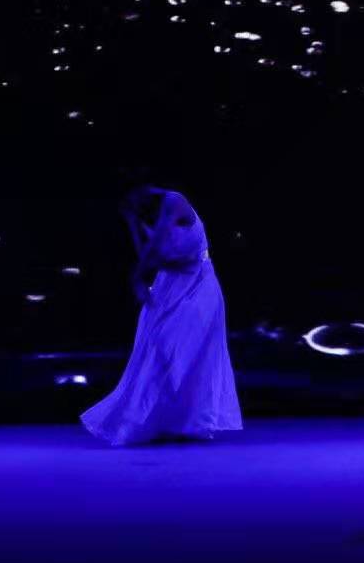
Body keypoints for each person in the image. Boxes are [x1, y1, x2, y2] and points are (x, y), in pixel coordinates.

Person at [81, 183, 243, 445]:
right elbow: (150, 254)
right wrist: (133, 224)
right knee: (156, 349)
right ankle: (157, 421)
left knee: (186, 350)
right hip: (169, 285)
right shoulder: (150, 219)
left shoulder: (173, 200)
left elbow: (155, 247)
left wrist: (136, 277)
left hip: (198, 285)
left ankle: (188, 421)